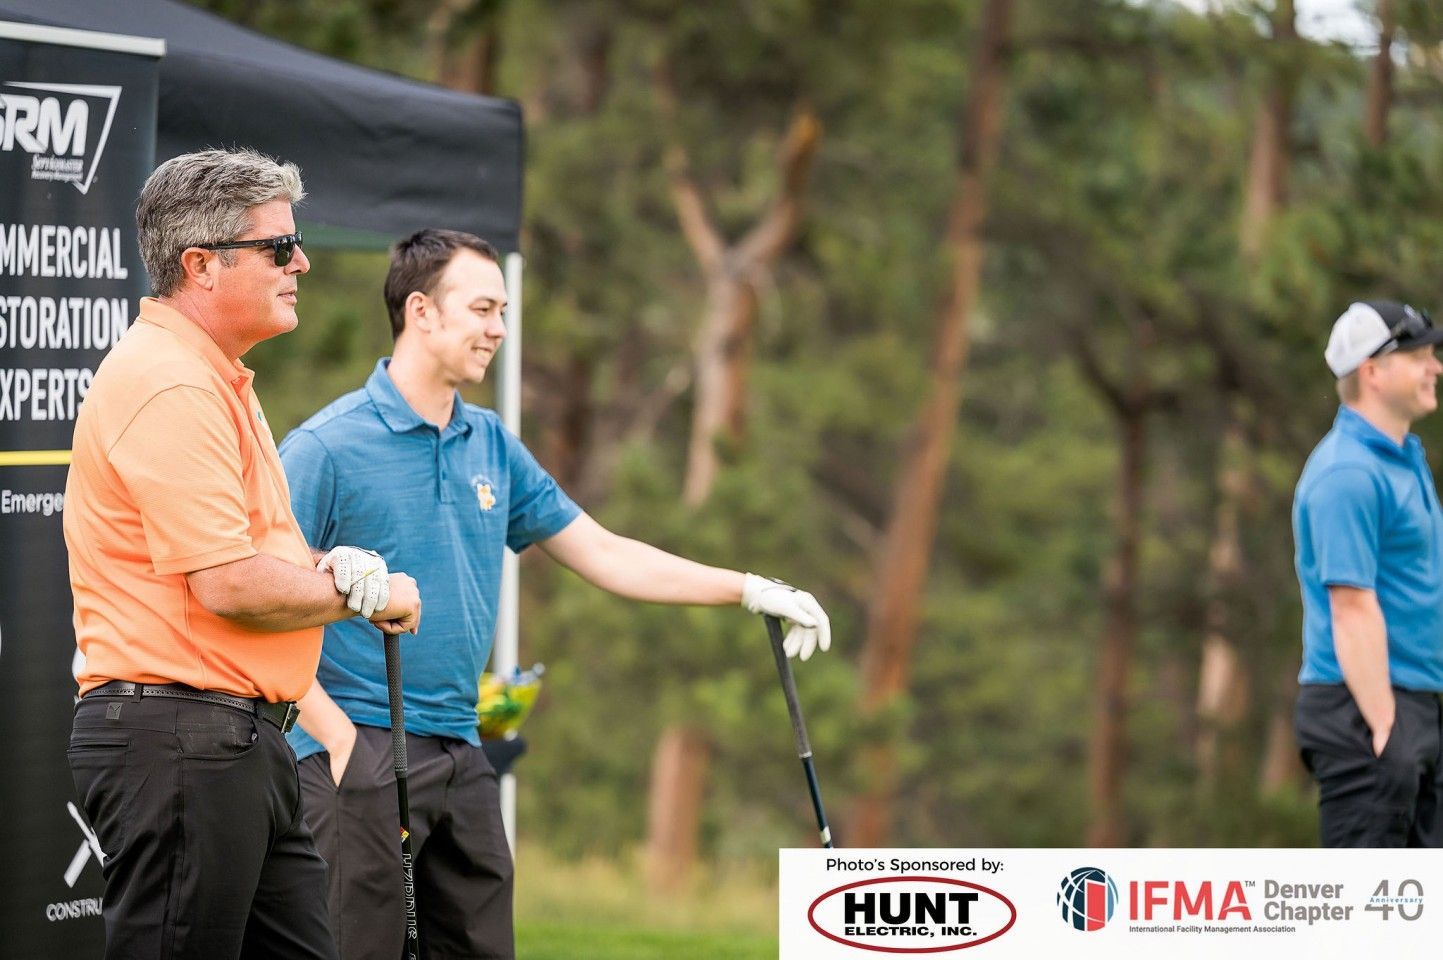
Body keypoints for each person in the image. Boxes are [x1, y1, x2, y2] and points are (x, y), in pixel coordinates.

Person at [279, 228, 831, 960]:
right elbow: (266, 590)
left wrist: (748, 588)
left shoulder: (492, 445)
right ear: (421, 312)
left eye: (502, 311)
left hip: (459, 744)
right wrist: (337, 738)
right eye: (481, 309)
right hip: (354, 747)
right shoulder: (327, 446)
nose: (499, 329)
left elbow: (603, 553)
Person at [63, 148, 423, 960]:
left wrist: (332, 568)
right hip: (183, 740)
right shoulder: (172, 383)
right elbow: (227, 584)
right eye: (276, 247)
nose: (299, 262)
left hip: (231, 743)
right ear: (201, 265)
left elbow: (245, 556)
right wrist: (369, 595)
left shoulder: (213, 376)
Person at [1293, 299, 1443, 847]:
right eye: (1418, 356)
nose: (1436, 368)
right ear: (1372, 372)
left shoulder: (1404, 458)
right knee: (1365, 921)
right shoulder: (1347, 473)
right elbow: (1352, 608)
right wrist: (1385, 728)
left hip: (1413, 704)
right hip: (1363, 709)